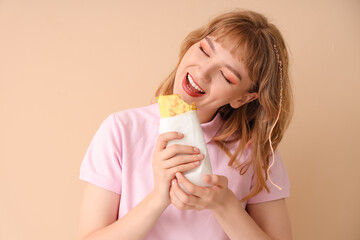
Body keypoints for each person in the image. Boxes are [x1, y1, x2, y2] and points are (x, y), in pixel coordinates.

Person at [77, 9, 293, 240]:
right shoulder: (121, 130)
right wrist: (158, 198)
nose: (203, 71)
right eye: (204, 50)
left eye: (227, 76)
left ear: (243, 98)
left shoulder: (255, 152)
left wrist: (224, 205)